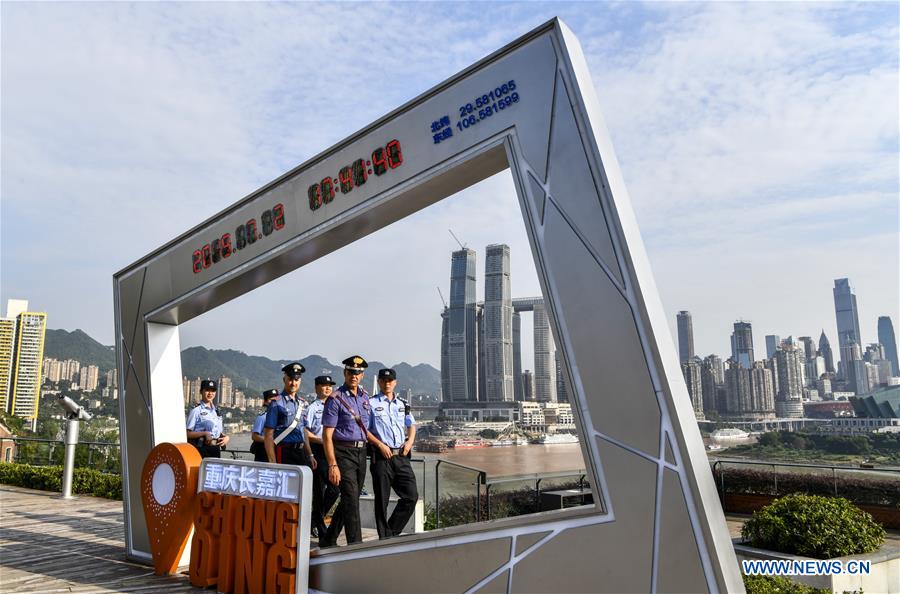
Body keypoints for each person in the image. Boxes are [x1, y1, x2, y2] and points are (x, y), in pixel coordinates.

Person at [320, 355, 392, 547]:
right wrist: (332, 464)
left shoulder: (364, 397)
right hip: (343, 452)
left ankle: (328, 539)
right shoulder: (335, 399)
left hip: (361, 452)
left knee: (350, 498)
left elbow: (365, 429)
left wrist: (379, 444)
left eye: (358, 373)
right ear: (345, 373)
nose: (354, 375)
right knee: (352, 500)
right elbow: (327, 435)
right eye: (351, 372)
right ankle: (356, 546)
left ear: (362, 375)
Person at [368, 368, 418, 539]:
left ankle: (391, 532)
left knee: (411, 496)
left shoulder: (403, 404)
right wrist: (379, 444)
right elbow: (364, 430)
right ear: (379, 382)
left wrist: (409, 442)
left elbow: (411, 425)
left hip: (401, 457)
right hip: (381, 457)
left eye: (390, 381)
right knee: (382, 499)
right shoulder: (371, 403)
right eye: (383, 380)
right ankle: (384, 537)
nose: (387, 383)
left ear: (395, 383)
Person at [304, 375, 342, 544]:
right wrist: (316, 446)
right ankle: (321, 529)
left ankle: (313, 521)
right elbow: (305, 431)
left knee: (335, 489)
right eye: (324, 385)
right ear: (316, 387)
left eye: (329, 386)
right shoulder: (313, 408)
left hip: (332, 451)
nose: (327, 388)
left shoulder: (335, 405)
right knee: (319, 493)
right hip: (318, 450)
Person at [264, 363, 316, 472]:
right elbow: (268, 435)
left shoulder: (302, 403)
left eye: (296, 380)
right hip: (284, 452)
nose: (293, 383)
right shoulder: (276, 403)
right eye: (290, 379)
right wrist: (272, 462)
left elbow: (303, 431)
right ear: (284, 380)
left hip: (301, 453)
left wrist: (310, 454)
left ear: (300, 381)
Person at [185, 379, 229, 458]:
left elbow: (217, 432)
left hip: (216, 449)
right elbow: (188, 434)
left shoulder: (216, 411)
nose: (210, 393)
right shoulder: (196, 411)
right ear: (201, 391)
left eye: (213, 391)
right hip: (201, 449)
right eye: (207, 390)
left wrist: (226, 437)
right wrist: (205, 433)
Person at [251, 389, 280, 462]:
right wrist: (269, 440)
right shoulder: (263, 416)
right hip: (263, 451)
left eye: (275, 400)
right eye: (271, 400)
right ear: (265, 401)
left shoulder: (279, 416)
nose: (274, 403)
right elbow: (254, 436)